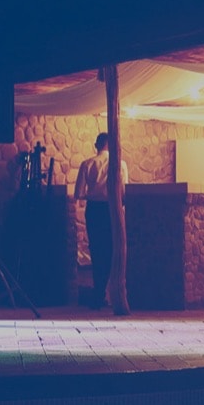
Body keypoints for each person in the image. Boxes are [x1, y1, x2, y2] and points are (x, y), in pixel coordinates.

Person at [73, 132, 129, 308]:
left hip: (94, 210)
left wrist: (94, 191)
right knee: (113, 249)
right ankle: (112, 293)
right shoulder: (121, 165)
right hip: (112, 208)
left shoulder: (87, 164)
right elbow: (124, 192)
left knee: (96, 250)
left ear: (96, 145)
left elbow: (79, 194)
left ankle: (99, 293)